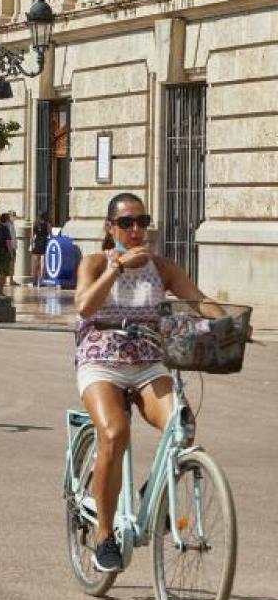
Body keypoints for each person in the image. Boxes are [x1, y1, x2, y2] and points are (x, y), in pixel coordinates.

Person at [73, 192, 223, 574]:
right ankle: (105, 536)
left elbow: (198, 299)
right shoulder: (94, 262)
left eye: (142, 221)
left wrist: (228, 323)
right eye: (126, 223)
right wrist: (117, 268)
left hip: (148, 360)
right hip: (100, 359)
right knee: (115, 434)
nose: (136, 229)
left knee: (182, 426)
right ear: (111, 228)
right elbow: (84, 307)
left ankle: (153, 496)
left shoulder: (163, 267)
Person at [0, 213, 15, 288]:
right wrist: (11, 254)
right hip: (4, 253)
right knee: (3, 274)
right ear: (7, 220)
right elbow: (8, 243)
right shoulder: (5, 229)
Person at [31, 211, 52, 285]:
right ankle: (41, 280)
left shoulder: (35, 224)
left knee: (35, 263)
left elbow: (32, 236)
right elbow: (51, 235)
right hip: (44, 243)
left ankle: (34, 280)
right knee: (43, 262)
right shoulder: (47, 225)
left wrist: (31, 244)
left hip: (37, 243)